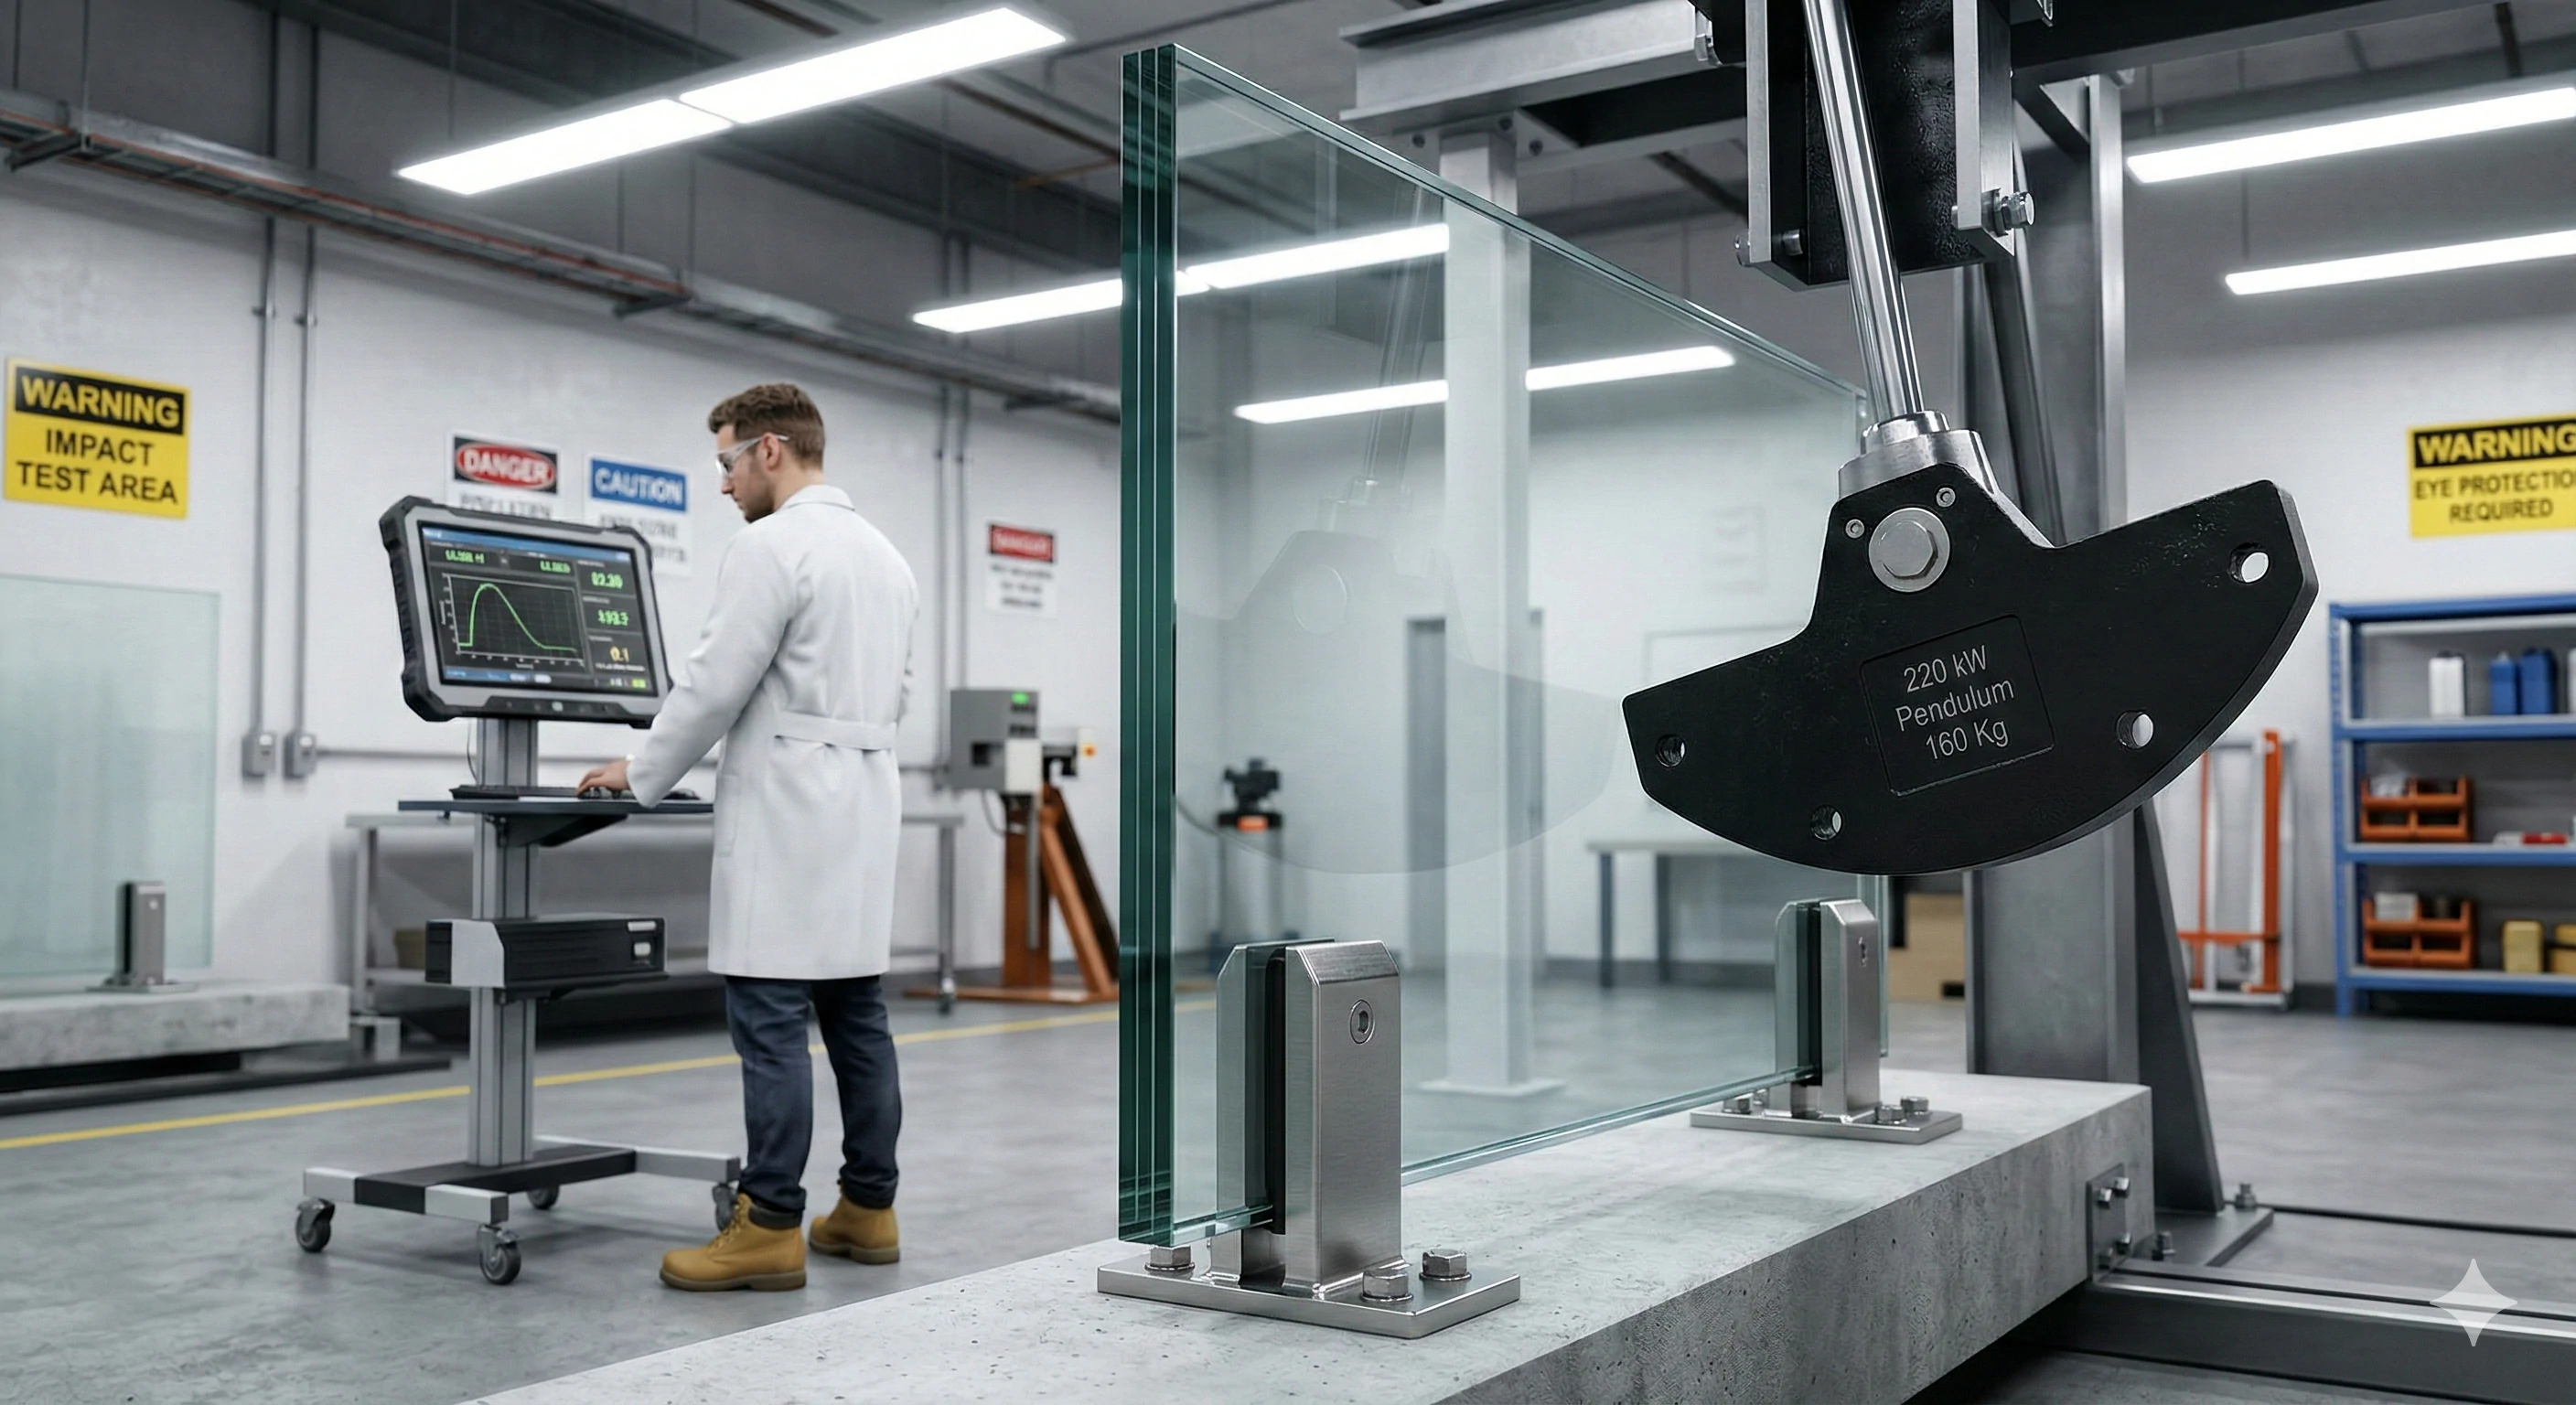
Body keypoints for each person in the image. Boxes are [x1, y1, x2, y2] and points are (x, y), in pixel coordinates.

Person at [580, 382, 919, 1292]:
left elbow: (713, 685)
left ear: (769, 450)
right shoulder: (888, 559)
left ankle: (768, 1223)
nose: (723, 484)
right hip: (862, 804)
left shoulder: (769, 548)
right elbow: (897, 696)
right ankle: (866, 1208)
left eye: (726, 461)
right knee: (856, 1017)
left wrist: (639, 769)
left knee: (770, 1022)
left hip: (785, 812)